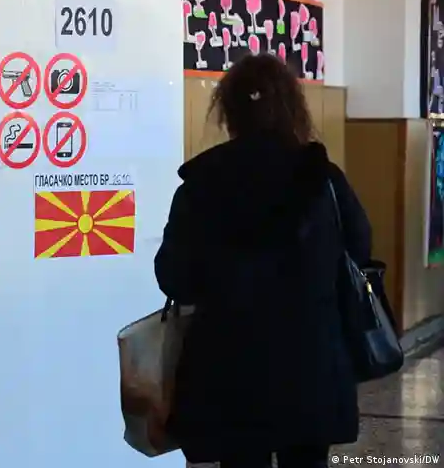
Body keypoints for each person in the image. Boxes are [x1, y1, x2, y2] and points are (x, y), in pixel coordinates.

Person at [154, 53, 372, 468]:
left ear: (229, 112)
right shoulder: (323, 179)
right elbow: (359, 250)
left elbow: (173, 277)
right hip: (313, 364)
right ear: (293, 107)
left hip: (229, 371)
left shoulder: (200, 184)